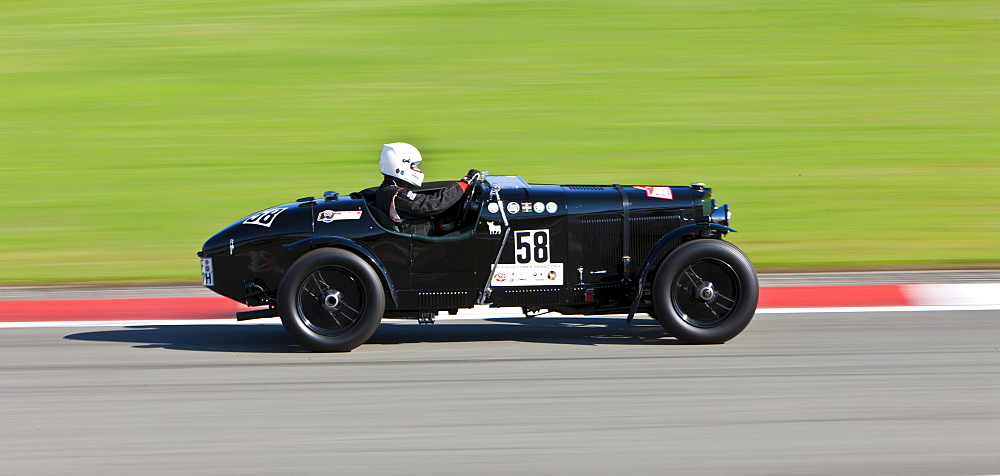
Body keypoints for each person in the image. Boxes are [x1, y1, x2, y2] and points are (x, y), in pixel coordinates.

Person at [375, 142, 481, 235]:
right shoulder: (398, 196)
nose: (418, 170)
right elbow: (433, 204)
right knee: (474, 233)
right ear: (400, 167)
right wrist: (463, 184)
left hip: (421, 238)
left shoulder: (386, 190)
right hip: (418, 248)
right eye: (414, 166)